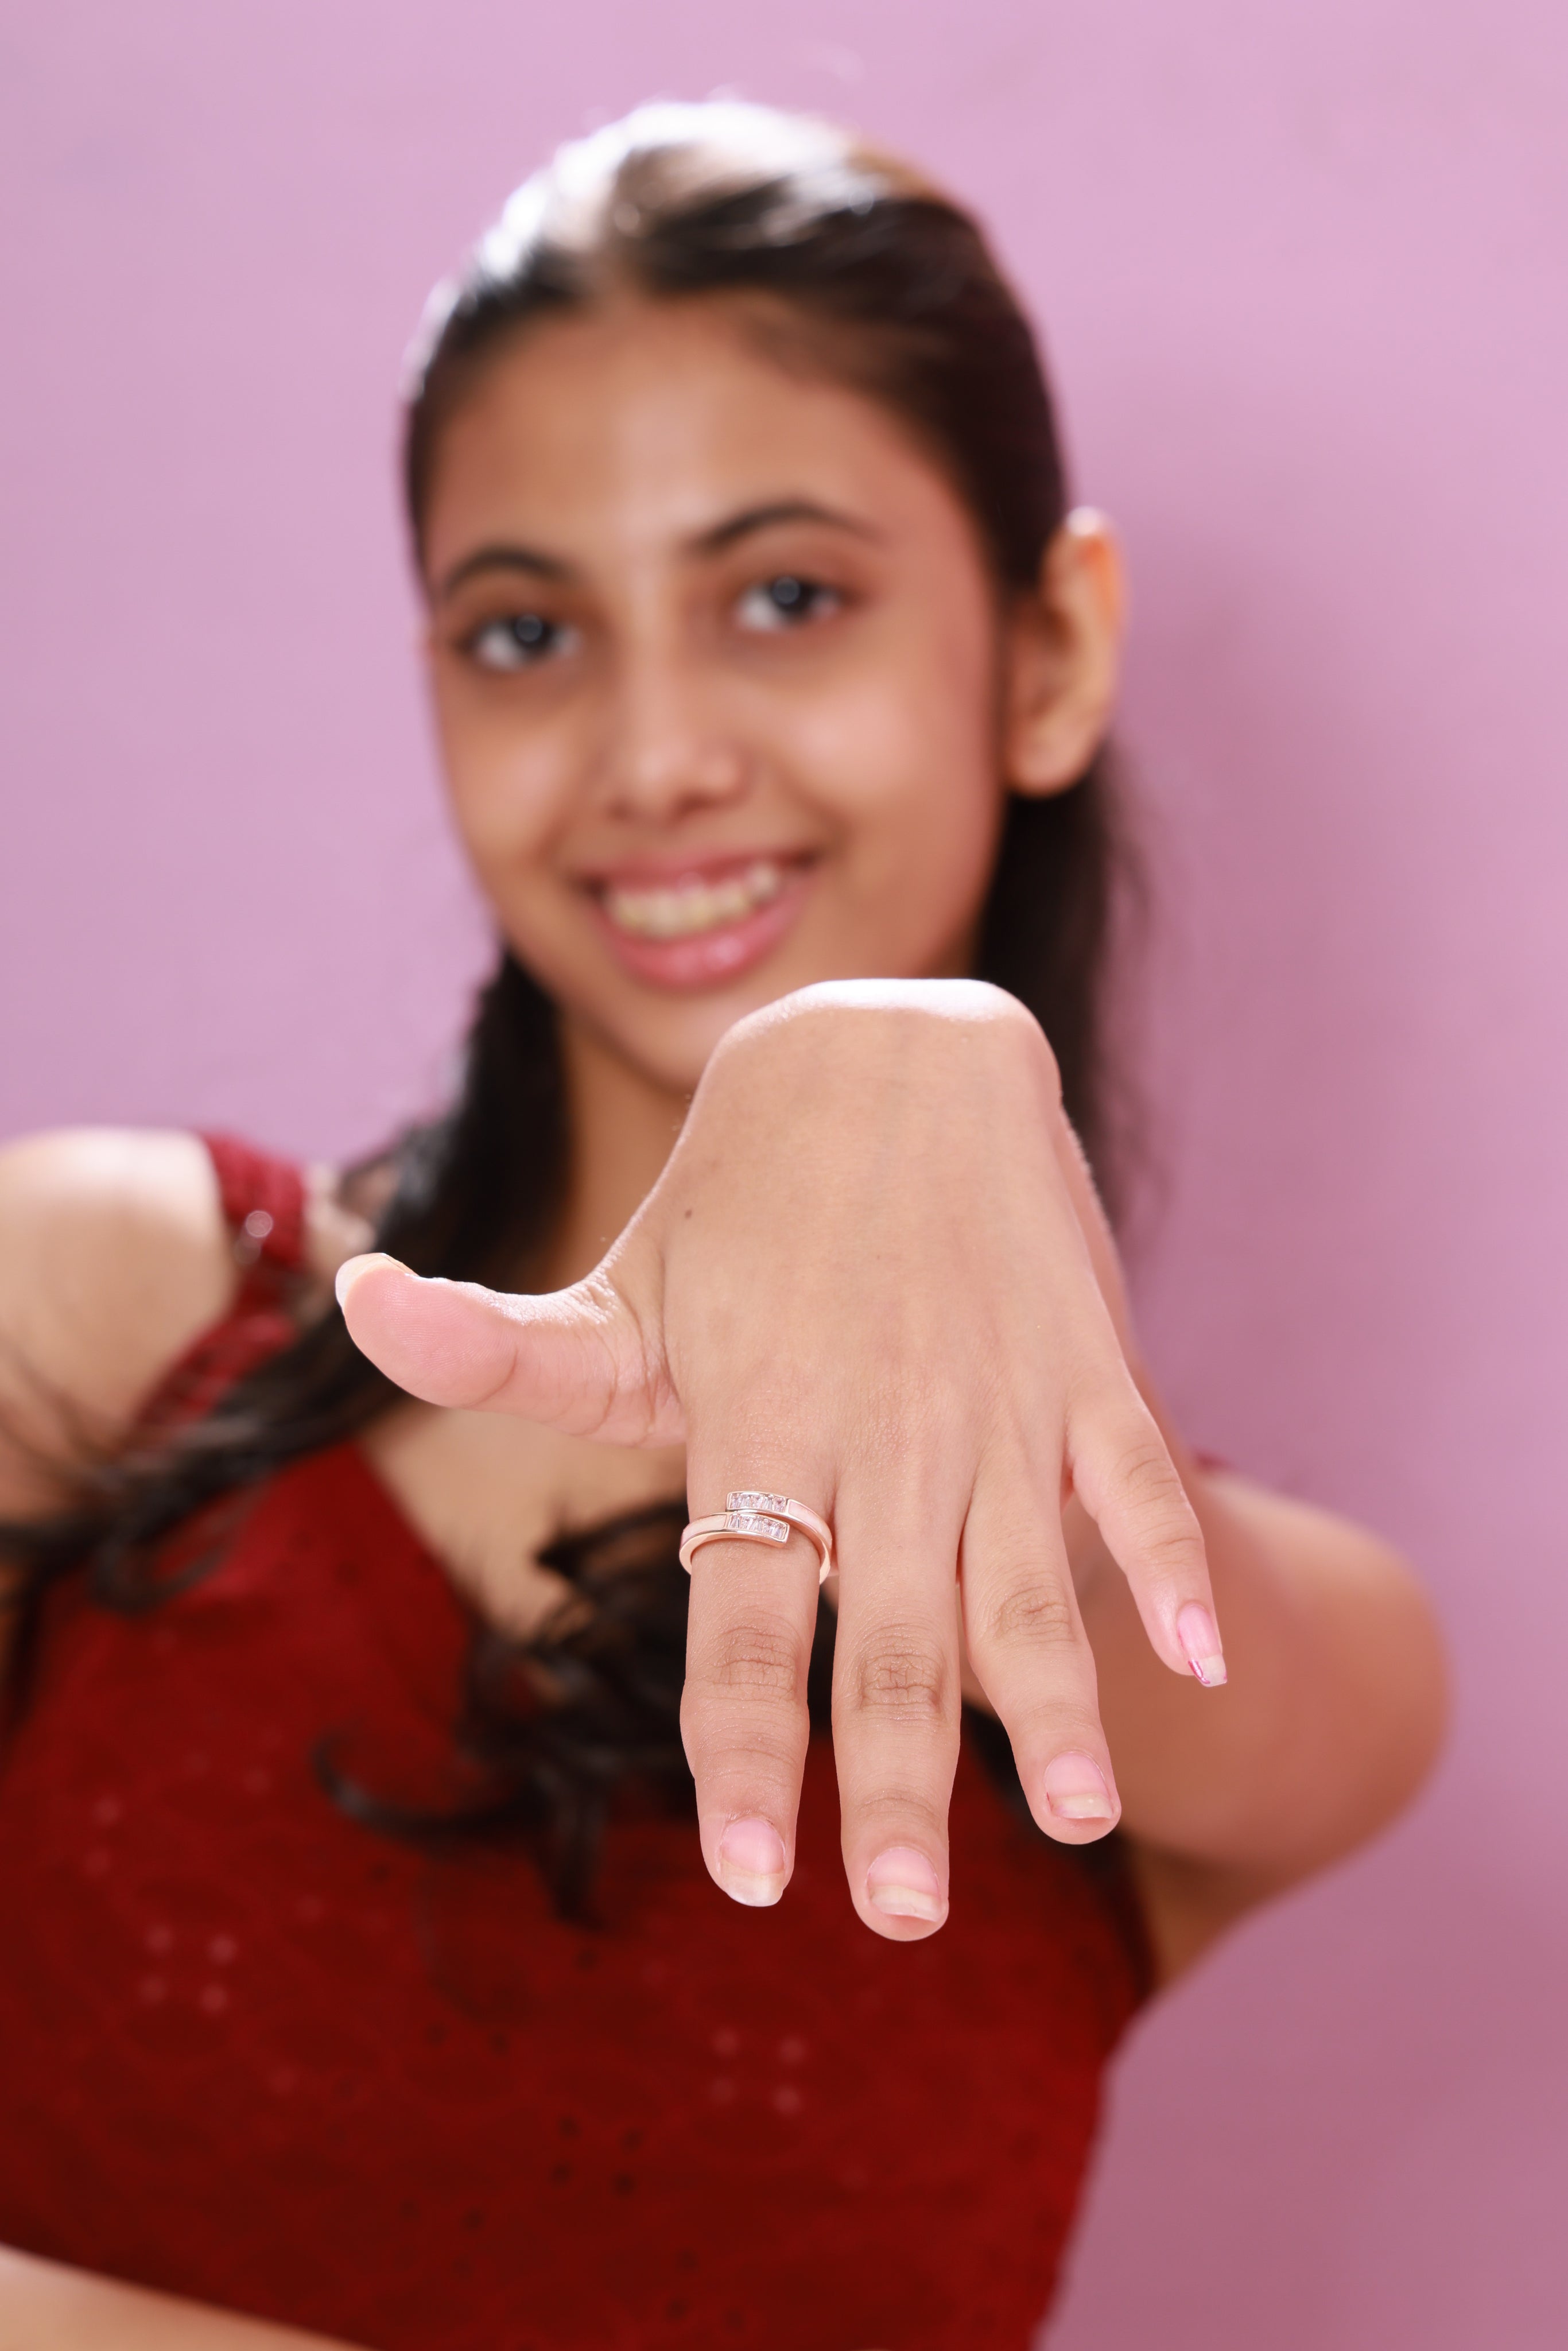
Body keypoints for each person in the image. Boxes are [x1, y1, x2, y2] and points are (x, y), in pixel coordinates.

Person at [0, 99, 1445, 2351]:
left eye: (785, 596)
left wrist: (930, 1076)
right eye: (520, 632)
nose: (653, 749)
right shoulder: (94, 1304)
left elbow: (1118, 1599)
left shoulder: (1281, 1661)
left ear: (1048, 647)